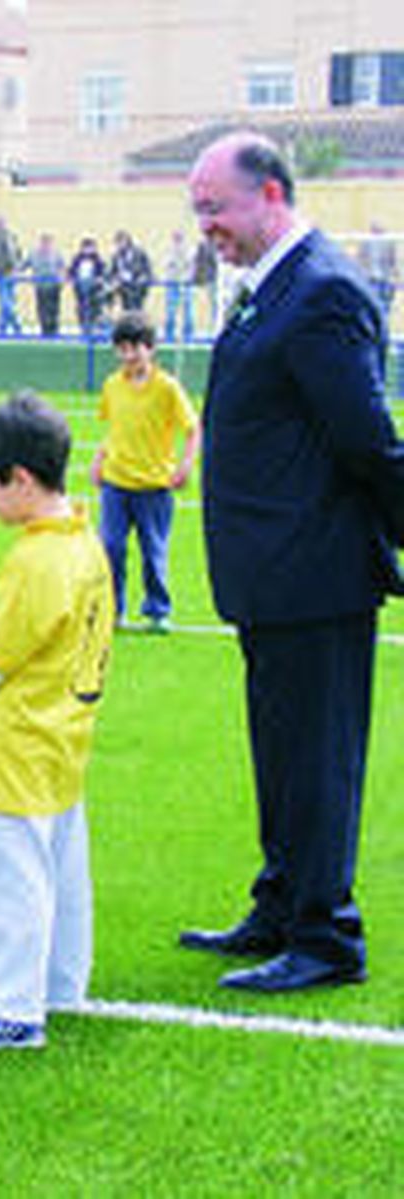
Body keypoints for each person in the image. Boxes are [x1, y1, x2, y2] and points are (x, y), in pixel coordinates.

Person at [179, 131, 404, 992]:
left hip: (316, 578)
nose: (207, 226)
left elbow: (367, 440)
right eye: (198, 210)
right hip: (272, 577)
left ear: (271, 193)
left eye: (216, 208)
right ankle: (281, 904)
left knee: (316, 759)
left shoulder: (321, 293)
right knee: (281, 753)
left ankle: (327, 936)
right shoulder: (268, 290)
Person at [0, 392, 113, 1052]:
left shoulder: (35, 557)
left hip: (19, 740)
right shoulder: (86, 541)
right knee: (64, 868)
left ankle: (12, 1007)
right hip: (67, 732)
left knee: (9, 877)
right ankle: (62, 984)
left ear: (22, 479)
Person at [89, 312, 199, 634]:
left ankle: (157, 610)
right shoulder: (112, 385)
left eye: (135, 348)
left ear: (150, 348)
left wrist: (186, 465)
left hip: (154, 485)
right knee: (110, 546)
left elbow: (192, 429)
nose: (128, 356)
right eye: (122, 349)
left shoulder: (167, 388)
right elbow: (115, 428)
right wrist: (99, 459)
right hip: (115, 482)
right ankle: (114, 610)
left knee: (153, 551)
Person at [357, 221, 397, 324]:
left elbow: (392, 260)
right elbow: (361, 259)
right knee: (373, 307)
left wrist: (394, 277)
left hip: (384, 279)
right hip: (371, 279)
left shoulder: (388, 242)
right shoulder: (366, 242)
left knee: (384, 307)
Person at [28, 233, 65, 338]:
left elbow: (62, 266)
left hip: (54, 286)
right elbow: (24, 264)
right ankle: (45, 330)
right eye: (44, 242)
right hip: (40, 286)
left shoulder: (56, 254)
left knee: (54, 309)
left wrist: (62, 278)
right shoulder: (34, 254)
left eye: (48, 243)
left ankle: (54, 330)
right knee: (42, 309)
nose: (46, 245)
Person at [68, 236, 105, 337]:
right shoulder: (77, 259)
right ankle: (84, 329)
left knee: (95, 309)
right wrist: (71, 278)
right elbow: (71, 271)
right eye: (86, 247)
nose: (88, 250)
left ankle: (95, 329)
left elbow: (103, 273)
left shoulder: (98, 259)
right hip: (80, 289)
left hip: (94, 290)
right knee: (81, 308)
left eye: (90, 247)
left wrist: (99, 280)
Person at [161, 229, 194, 342]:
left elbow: (191, 267)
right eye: (175, 238)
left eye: (179, 237)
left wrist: (185, 278)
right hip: (172, 283)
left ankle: (188, 337)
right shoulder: (169, 251)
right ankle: (169, 337)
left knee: (188, 311)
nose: (177, 240)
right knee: (170, 311)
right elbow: (166, 265)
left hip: (185, 284)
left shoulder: (189, 251)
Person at [109, 230, 153, 315]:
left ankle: (137, 324)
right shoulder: (116, 255)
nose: (120, 245)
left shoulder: (138, 252)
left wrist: (144, 277)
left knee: (137, 308)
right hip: (123, 287)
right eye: (118, 243)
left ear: (127, 241)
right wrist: (114, 280)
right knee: (126, 308)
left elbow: (146, 268)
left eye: (121, 241)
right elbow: (112, 271)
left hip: (137, 286)